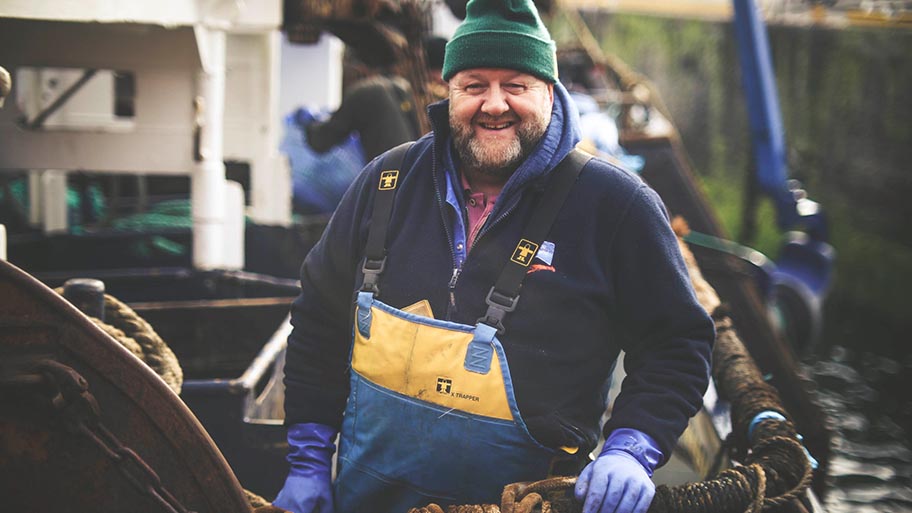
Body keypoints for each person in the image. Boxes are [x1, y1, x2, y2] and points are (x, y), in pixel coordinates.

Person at [275, 1, 714, 513]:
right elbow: (319, 320)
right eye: (475, 85)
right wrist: (307, 461)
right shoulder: (386, 181)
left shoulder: (615, 205)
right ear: (449, 92)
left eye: (516, 85)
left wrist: (632, 447)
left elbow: (675, 342)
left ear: (550, 92)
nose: (494, 104)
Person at [303, 55, 421, 162]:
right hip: (411, 170)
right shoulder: (401, 87)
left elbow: (321, 141)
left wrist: (305, 124)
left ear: (358, 68)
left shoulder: (364, 92)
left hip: (387, 175)